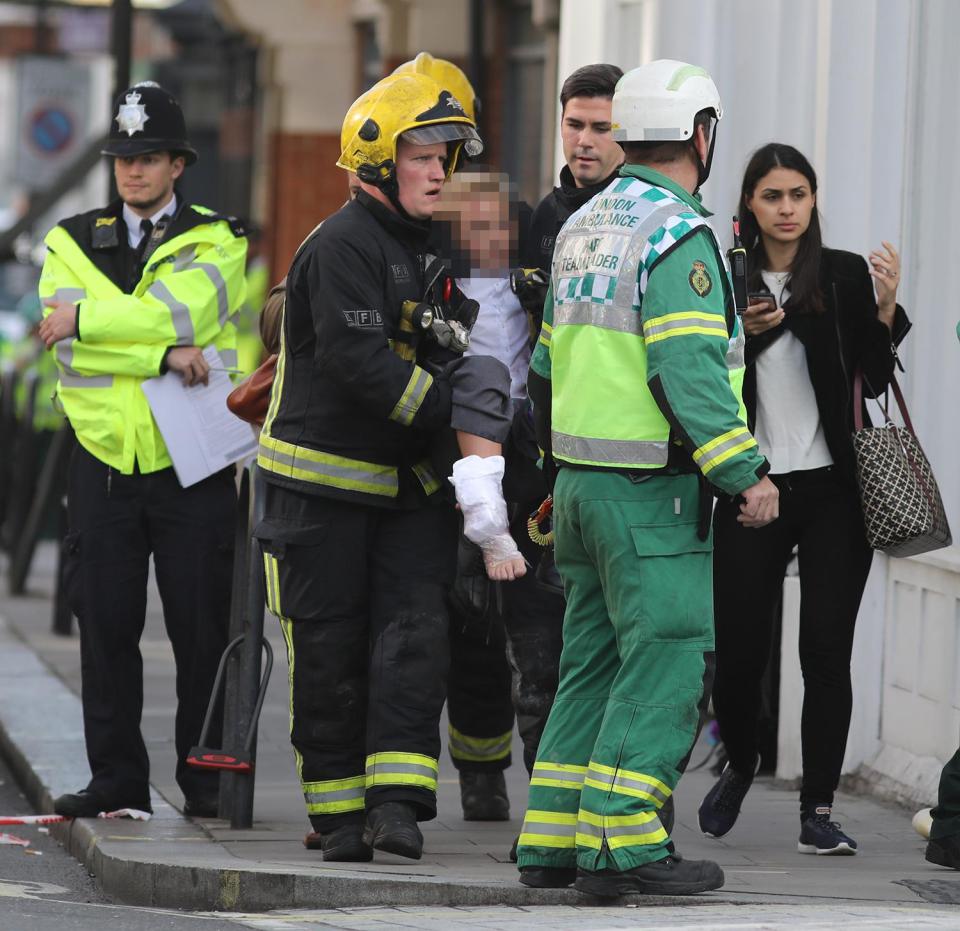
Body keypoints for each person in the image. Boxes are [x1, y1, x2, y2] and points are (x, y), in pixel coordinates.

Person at [516, 60, 779, 897]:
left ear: (628, 132)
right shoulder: (679, 234)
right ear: (702, 134)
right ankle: (624, 846)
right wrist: (745, 472)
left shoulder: (586, 224)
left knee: (591, 661)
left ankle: (553, 840)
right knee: (662, 658)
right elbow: (688, 370)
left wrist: (558, 470)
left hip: (586, 487)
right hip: (650, 495)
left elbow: (546, 368)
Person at [254, 72, 509, 864]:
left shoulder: (430, 247)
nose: (440, 171)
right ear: (375, 159)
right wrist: (457, 411)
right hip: (320, 494)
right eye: (425, 155)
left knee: (413, 644)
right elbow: (361, 363)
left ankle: (396, 808)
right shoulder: (341, 246)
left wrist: (478, 397)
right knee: (329, 654)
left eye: (447, 158)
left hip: (407, 495)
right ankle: (336, 817)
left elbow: (449, 344)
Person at [37, 81, 248, 819]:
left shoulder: (219, 237)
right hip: (102, 461)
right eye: (124, 157)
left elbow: (182, 311)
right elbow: (71, 356)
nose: (133, 171)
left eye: (149, 157)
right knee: (105, 627)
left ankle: (207, 777)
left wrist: (89, 318)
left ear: (178, 164)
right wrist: (163, 353)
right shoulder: (68, 237)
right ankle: (117, 779)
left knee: (201, 628)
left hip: (188, 463)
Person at [697, 142, 910, 855]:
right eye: (772, 196)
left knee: (825, 650)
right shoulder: (723, 279)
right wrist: (744, 341)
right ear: (749, 206)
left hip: (832, 492)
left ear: (812, 202)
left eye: (799, 195)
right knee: (739, 649)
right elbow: (697, 377)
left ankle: (817, 807)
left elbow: (873, 382)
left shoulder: (842, 273)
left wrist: (884, 307)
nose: (787, 209)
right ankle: (742, 758)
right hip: (748, 483)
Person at [436, 170, 567, 823]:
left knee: (531, 629)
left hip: (524, 459)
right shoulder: (437, 281)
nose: (488, 238)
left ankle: (534, 776)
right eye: (474, 226)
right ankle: (479, 770)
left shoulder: (530, 286)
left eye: (498, 225)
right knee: (468, 628)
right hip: (455, 458)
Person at [521, 63, 623, 279]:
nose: (584, 141)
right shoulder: (546, 213)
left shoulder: (644, 211)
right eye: (575, 125)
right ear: (560, 124)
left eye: (601, 128)